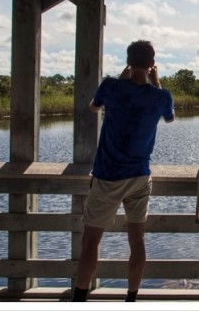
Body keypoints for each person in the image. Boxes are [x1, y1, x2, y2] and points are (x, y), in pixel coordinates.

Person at [72, 40, 175, 302]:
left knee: (90, 242)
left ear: (128, 61)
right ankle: (131, 297)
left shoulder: (111, 87)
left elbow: (94, 107)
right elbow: (169, 118)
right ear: (152, 64)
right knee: (137, 241)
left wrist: (121, 79)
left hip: (107, 176)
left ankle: (80, 297)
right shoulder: (161, 96)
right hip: (140, 176)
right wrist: (156, 83)